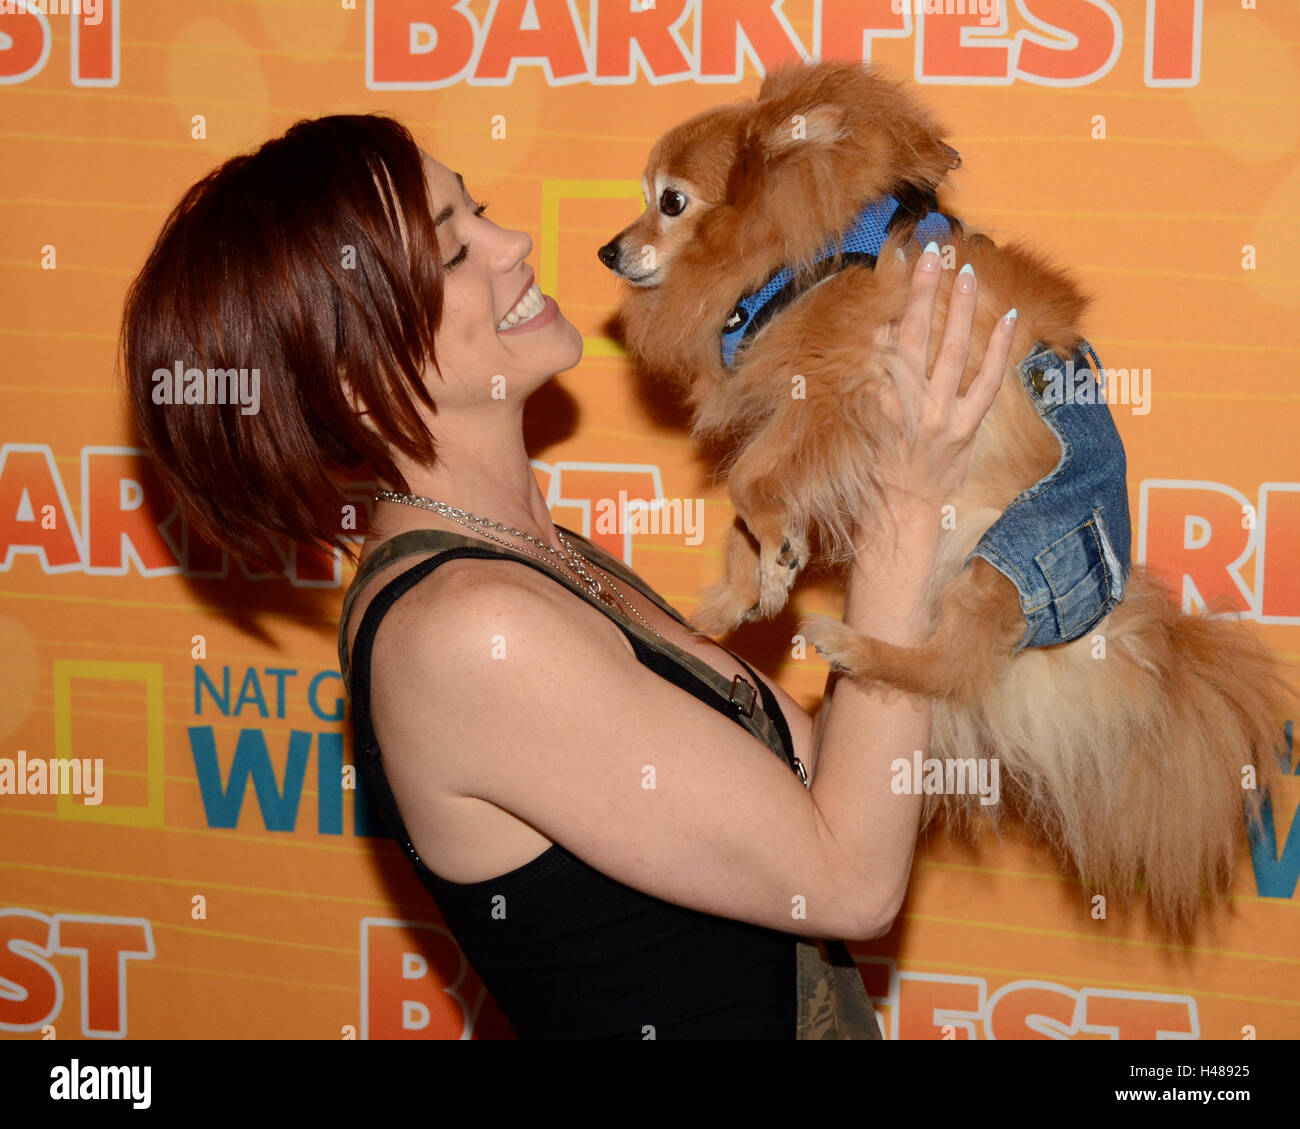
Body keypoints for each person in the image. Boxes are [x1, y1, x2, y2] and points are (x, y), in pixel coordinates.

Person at [122, 113, 1016, 1040]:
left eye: (482, 211)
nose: (512, 246)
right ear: (350, 376)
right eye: (454, 252)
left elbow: (824, 781)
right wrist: (904, 499)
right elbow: (849, 879)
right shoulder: (465, 633)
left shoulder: (543, 557)